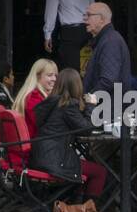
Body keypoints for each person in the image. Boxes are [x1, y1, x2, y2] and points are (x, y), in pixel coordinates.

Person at [30, 67, 105, 198]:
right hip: (55, 160)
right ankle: (87, 211)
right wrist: (91, 105)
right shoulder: (68, 105)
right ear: (77, 86)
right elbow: (86, 129)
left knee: (86, 170)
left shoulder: (53, 102)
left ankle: (76, 208)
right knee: (100, 172)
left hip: (42, 156)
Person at [43, 0, 95, 70]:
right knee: (86, 70)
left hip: (69, 33)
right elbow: (92, 9)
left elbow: (51, 9)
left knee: (70, 72)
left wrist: (48, 34)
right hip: (87, 30)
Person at [81, 3, 131, 103]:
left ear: (102, 19)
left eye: (89, 15)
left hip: (107, 112)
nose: (85, 19)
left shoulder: (110, 42)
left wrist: (87, 100)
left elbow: (108, 80)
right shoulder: (107, 40)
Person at [11, 59, 58, 138]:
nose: (54, 79)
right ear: (37, 76)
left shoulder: (36, 95)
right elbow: (49, 126)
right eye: (50, 75)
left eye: (55, 75)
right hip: (38, 145)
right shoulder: (33, 97)